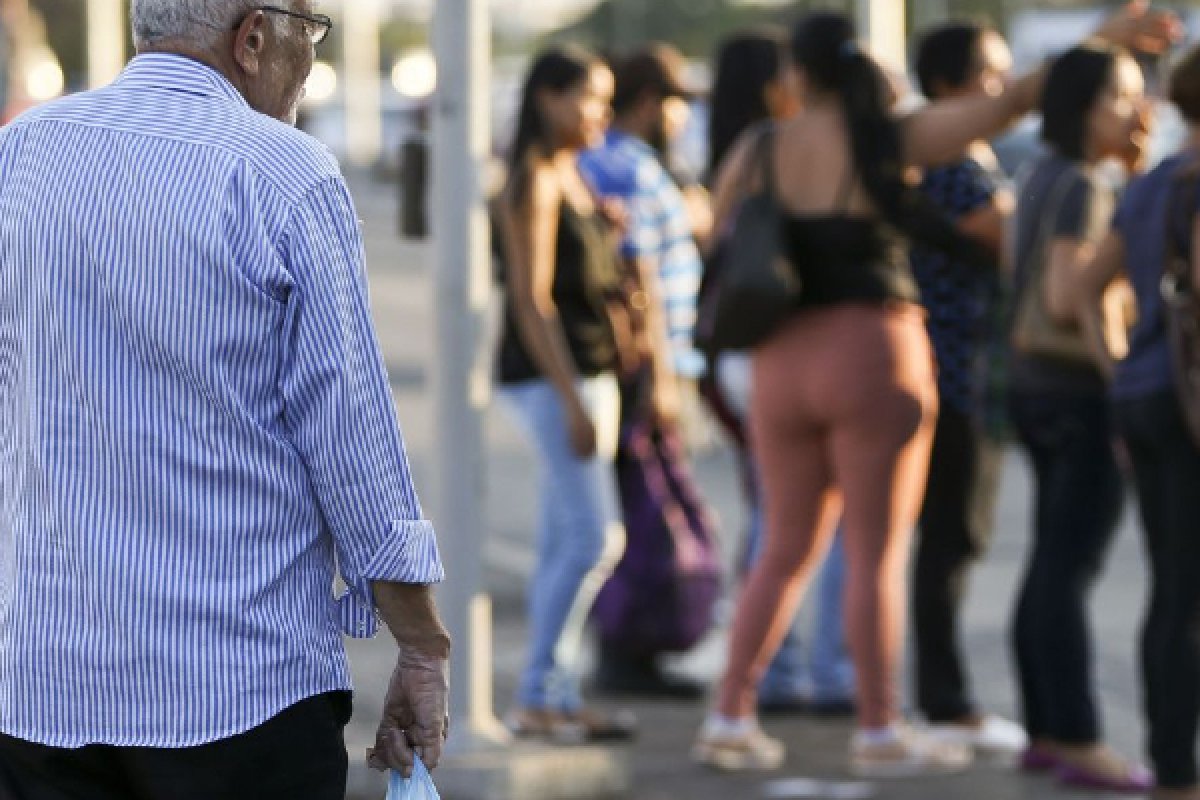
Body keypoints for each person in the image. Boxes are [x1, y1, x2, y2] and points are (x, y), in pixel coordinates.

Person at [690, 4, 1175, 777]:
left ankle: (730, 714)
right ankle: (879, 728)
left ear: (797, 75)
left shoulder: (761, 145)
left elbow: (715, 230)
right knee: (877, 550)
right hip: (872, 352)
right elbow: (1009, 102)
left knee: (782, 545)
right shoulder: (890, 138)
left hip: (780, 357)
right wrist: (1103, 43)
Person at [0, 2, 451, 798]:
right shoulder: (284, 173)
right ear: (252, 38)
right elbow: (351, 442)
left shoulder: (22, 152)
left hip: (41, 687)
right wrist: (421, 645)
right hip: (237, 692)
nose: (307, 64)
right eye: (308, 34)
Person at [1007, 42, 1157, 794]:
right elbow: (1071, 300)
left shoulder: (1042, 176)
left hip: (1032, 389)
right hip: (1075, 393)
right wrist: (1122, 380)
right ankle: (1077, 735)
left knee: (1048, 561)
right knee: (1070, 566)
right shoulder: (1083, 186)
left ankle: (1044, 729)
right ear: (1080, 106)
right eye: (1121, 96)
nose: (1137, 111)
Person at [704, 27, 854, 717]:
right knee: (827, 516)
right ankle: (831, 669)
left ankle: (776, 666)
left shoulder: (740, 146)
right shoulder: (800, 140)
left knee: (773, 510)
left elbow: (713, 233)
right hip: (808, 344)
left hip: (741, 346)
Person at [494, 45, 636, 742]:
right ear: (548, 98)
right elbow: (530, 299)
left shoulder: (571, 172)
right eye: (591, 98)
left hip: (592, 372)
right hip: (556, 379)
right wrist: (572, 398)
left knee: (564, 539)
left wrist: (607, 233)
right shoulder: (534, 180)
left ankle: (554, 693)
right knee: (592, 538)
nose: (601, 113)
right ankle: (539, 691)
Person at [1076, 43, 1200, 800]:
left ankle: (1172, 767)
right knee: (1187, 598)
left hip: (1152, 396)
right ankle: (1181, 774)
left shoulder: (1154, 181)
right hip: (1187, 409)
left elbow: (1087, 289)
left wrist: (1117, 366)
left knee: (1173, 588)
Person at [577, 44, 717, 701]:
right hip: (645, 364)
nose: (684, 117)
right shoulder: (625, 166)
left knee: (644, 512)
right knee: (645, 516)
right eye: (677, 103)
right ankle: (624, 652)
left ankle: (632, 649)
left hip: (645, 362)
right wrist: (660, 374)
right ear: (650, 102)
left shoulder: (628, 163)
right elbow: (638, 280)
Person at [908, 21, 1026, 754]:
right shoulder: (953, 165)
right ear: (950, 84)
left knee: (952, 540)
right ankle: (943, 700)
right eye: (992, 74)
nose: (1004, 90)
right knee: (950, 541)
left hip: (961, 374)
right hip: (954, 378)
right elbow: (1015, 245)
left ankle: (938, 695)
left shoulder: (954, 159)